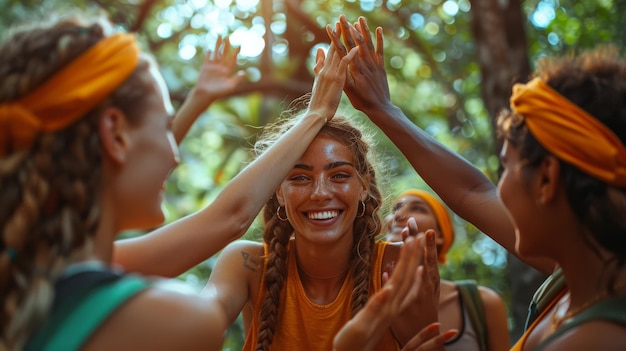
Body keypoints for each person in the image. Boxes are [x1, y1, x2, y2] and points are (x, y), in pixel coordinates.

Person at [0, 11, 361, 349]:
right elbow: (227, 219)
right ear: (115, 135)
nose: (174, 155)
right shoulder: (172, 321)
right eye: (164, 127)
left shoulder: (24, 272)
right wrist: (314, 115)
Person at [328, 14, 626, 351]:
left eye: (506, 166)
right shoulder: (583, 275)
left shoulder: (594, 339)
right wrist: (382, 109)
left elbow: (475, 192)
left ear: (546, 179)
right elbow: (472, 191)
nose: (498, 189)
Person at [203, 80, 442, 349]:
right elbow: (192, 328)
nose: (320, 193)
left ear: (363, 187)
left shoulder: (394, 267)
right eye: (300, 177)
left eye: (339, 175)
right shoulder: (248, 264)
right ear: (278, 192)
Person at [387, 189, 510, 351]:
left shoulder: (482, 302)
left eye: (417, 208)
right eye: (396, 208)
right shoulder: (365, 301)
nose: (399, 215)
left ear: (440, 234)